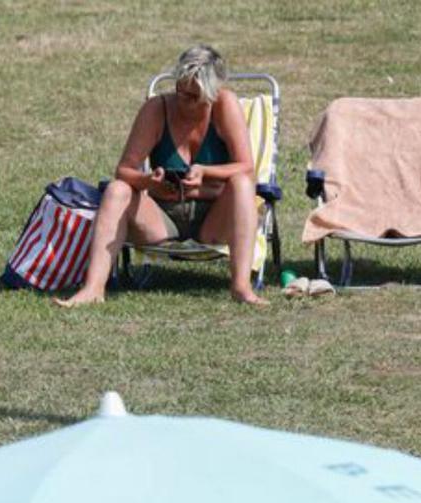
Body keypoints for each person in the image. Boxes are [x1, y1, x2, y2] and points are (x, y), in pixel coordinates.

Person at [55, 43, 267, 307]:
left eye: (193, 96)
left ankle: (241, 287)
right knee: (117, 189)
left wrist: (205, 171)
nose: (184, 101)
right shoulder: (157, 109)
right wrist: (147, 181)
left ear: (212, 95)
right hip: (161, 216)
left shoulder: (225, 105)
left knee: (243, 184)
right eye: (180, 91)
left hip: (214, 219)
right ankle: (94, 288)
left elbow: (246, 167)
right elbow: (124, 170)